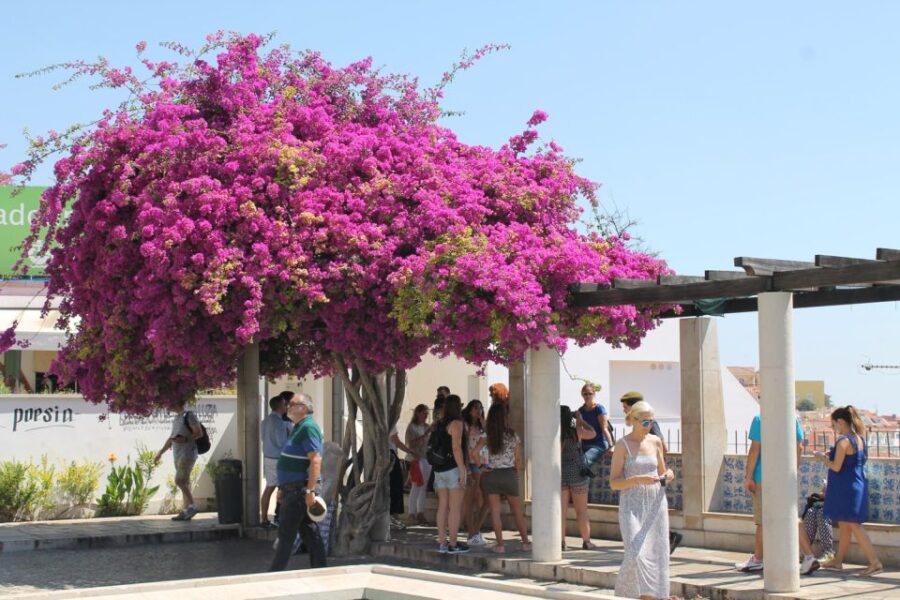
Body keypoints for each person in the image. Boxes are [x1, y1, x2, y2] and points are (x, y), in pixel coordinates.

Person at [734, 413, 820, 576]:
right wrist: (792, 471)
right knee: (792, 516)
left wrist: (749, 476)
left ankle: (758, 560)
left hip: (763, 476)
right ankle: (809, 557)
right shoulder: (791, 417)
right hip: (785, 477)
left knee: (762, 520)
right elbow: (799, 446)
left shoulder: (760, 419)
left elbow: (754, 449)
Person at [609, 400, 674, 600]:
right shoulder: (622, 445)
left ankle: (649, 598)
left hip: (655, 503)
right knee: (636, 554)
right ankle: (628, 594)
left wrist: (669, 475)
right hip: (632, 504)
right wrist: (637, 479)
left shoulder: (655, 442)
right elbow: (614, 483)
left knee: (656, 556)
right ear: (634, 421)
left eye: (652, 422)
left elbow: (664, 471)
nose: (650, 426)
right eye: (646, 422)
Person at [816, 405, 882, 576]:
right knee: (845, 524)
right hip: (857, 484)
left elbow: (836, 467)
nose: (834, 428)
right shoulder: (860, 439)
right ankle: (838, 561)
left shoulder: (843, 441)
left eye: (834, 425)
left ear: (840, 422)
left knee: (853, 524)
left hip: (846, 487)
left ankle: (875, 562)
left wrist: (822, 458)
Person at [620, 391, 682, 554]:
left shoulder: (649, 426)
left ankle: (669, 537)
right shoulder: (624, 444)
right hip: (633, 497)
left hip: (653, 487)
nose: (624, 411)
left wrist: (659, 469)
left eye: (626, 407)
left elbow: (663, 447)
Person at [270, 393, 327, 571]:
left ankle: (273, 575)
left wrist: (310, 491)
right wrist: (282, 488)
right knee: (309, 532)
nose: (287, 406)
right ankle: (321, 569)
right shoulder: (299, 427)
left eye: (292, 404)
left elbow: (315, 460)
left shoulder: (308, 428)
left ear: (303, 408)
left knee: (286, 534)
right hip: (291, 489)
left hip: (298, 490)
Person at [474, 403, 531, 554]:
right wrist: (515, 473)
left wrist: (481, 467)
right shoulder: (512, 435)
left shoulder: (487, 436)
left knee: (495, 511)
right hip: (509, 474)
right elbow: (518, 459)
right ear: (505, 417)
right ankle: (525, 542)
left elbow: (474, 453)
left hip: (491, 474)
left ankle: (500, 545)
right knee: (517, 511)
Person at [431, 394, 469, 554]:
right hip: (453, 469)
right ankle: (453, 544)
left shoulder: (438, 423)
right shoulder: (457, 423)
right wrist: (462, 469)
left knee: (442, 507)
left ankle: (442, 542)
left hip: (439, 469)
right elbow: (456, 448)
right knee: (455, 508)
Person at [154, 397, 202, 521]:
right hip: (178, 454)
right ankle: (186, 511)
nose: (167, 406)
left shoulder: (189, 415)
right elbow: (171, 438)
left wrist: (185, 439)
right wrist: (160, 453)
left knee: (179, 480)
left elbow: (198, 433)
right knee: (185, 482)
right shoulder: (176, 418)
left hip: (188, 454)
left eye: (170, 403)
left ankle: (193, 506)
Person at [560, 405, 596, 550]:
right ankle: (586, 542)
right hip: (577, 472)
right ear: (571, 418)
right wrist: (580, 420)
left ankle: (561, 543)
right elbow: (593, 433)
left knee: (561, 512)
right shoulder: (577, 431)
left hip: (560, 473)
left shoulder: (556, 434)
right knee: (581, 511)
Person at [260, 394, 294, 527]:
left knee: (269, 488)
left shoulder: (265, 421)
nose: (287, 406)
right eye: (285, 404)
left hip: (268, 457)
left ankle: (264, 518)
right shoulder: (279, 423)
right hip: (279, 459)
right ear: (280, 406)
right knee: (284, 489)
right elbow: (282, 442)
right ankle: (281, 518)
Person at [462, 399, 488, 545]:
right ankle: (472, 532)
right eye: (476, 407)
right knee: (470, 500)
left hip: (484, 463)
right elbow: (464, 447)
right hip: (472, 464)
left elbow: (488, 438)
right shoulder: (465, 426)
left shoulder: (481, 425)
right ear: (470, 409)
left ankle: (475, 531)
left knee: (486, 499)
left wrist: (483, 422)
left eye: (481, 407)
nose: (479, 410)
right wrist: (466, 468)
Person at [405, 404, 432, 525]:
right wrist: (425, 435)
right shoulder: (412, 427)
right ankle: (411, 513)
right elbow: (410, 444)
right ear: (417, 413)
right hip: (416, 458)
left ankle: (420, 512)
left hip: (426, 458)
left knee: (424, 487)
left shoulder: (427, 427)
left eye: (427, 413)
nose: (426, 416)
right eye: (424, 413)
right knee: (416, 485)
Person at [389, 421, 417, 530]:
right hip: (390, 454)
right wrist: (409, 451)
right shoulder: (390, 422)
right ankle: (391, 514)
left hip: (385, 454)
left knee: (393, 485)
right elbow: (396, 441)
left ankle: (391, 515)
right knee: (395, 485)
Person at [578, 384, 613, 469]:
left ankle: (586, 481)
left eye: (590, 393)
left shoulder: (599, 409)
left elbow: (604, 428)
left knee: (584, 463)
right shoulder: (580, 410)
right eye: (585, 394)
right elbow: (579, 430)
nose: (587, 396)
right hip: (584, 444)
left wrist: (611, 446)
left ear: (594, 394)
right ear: (582, 395)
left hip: (598, 444)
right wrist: (578, 446)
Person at [802, 481, 833, 560]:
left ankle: (828, 553)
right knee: (810, 512)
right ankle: (807, 552)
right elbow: (823, 492)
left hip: (836, 507)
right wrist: (821, 495)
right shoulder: (831, 477)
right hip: (824, 504)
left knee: (822, 513)